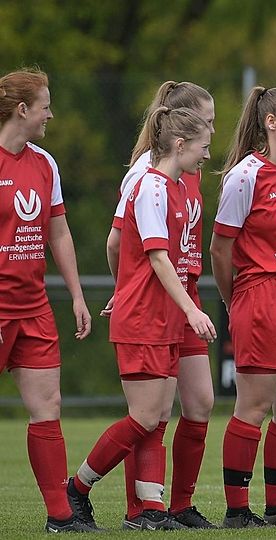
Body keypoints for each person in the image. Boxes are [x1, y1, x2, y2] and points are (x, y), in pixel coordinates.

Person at [65, 106, 217, 530]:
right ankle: (76, 487)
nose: (207, 155)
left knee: (157, 418)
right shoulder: (150, 186)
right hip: (144, 318)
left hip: (163, 318)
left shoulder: (176, 187)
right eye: (203, 147)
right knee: (145, 417)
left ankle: (149, 510)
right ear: (180, 144)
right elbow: (158, 258)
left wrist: (182, 311)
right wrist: (191, 309)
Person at [210, 86, 276, 528]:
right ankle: (237, 510)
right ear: (270, 122)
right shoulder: (244, 175)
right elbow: (220, 248)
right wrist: (234, 297)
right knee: (252, 407)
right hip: (262, 293)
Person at [0, 68, 94, 533]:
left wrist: (76, 294)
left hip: (33, 306)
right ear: (23, 110)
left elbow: (57, 229)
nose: (50, 114)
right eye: (45, 105)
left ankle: (61, 517)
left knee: (47, 406)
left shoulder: (44, 163)